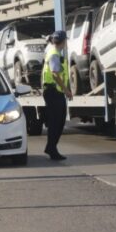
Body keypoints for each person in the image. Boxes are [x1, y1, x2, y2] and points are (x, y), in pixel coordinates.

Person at [41, 30, 73, 160]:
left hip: (55, 91)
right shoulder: (54, 54)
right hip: (53, 91)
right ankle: (52, 149)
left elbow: (62, 73)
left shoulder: (54, 51)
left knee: (59, 121)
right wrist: (66, 90)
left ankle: (51, 147)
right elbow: (55, 74)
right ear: (64, 41)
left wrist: (67, 87)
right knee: (56, 122)